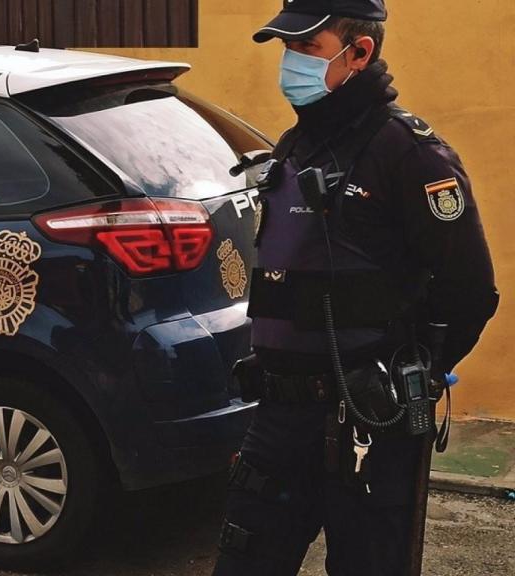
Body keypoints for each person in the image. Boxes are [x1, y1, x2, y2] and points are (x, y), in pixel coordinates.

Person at [212, 1, 499, 575]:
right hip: (279, 417)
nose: (290, 62)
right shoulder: (297, 146)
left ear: (359, 53)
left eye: (307, 48)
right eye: (287, 49)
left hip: (367, 421)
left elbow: (470, 291)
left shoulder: (408, 153)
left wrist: (404, 375)